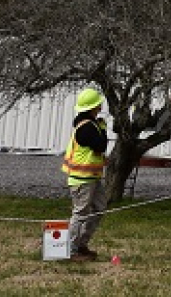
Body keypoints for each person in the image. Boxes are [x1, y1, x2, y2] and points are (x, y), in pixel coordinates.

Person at [62, 86, 109, 262]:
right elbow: (100, 145)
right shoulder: (86, 128)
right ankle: (71, 249)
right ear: (92, 108)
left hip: (92, 178)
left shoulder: (90, 125)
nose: (100, 108)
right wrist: (104, 130)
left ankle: (82, 244)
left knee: (99, 209)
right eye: (98, 105)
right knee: (80, 214)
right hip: (82, 179)